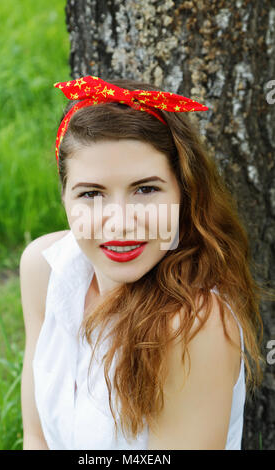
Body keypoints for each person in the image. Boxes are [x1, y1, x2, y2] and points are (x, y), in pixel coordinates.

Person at [20, 75, 266, 450]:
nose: (119, 221)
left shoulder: (194, 325)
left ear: (184, 193)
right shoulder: (44, 270)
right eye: (91, 193)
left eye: (146, 189)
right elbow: (36, 438)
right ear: (65, 198)